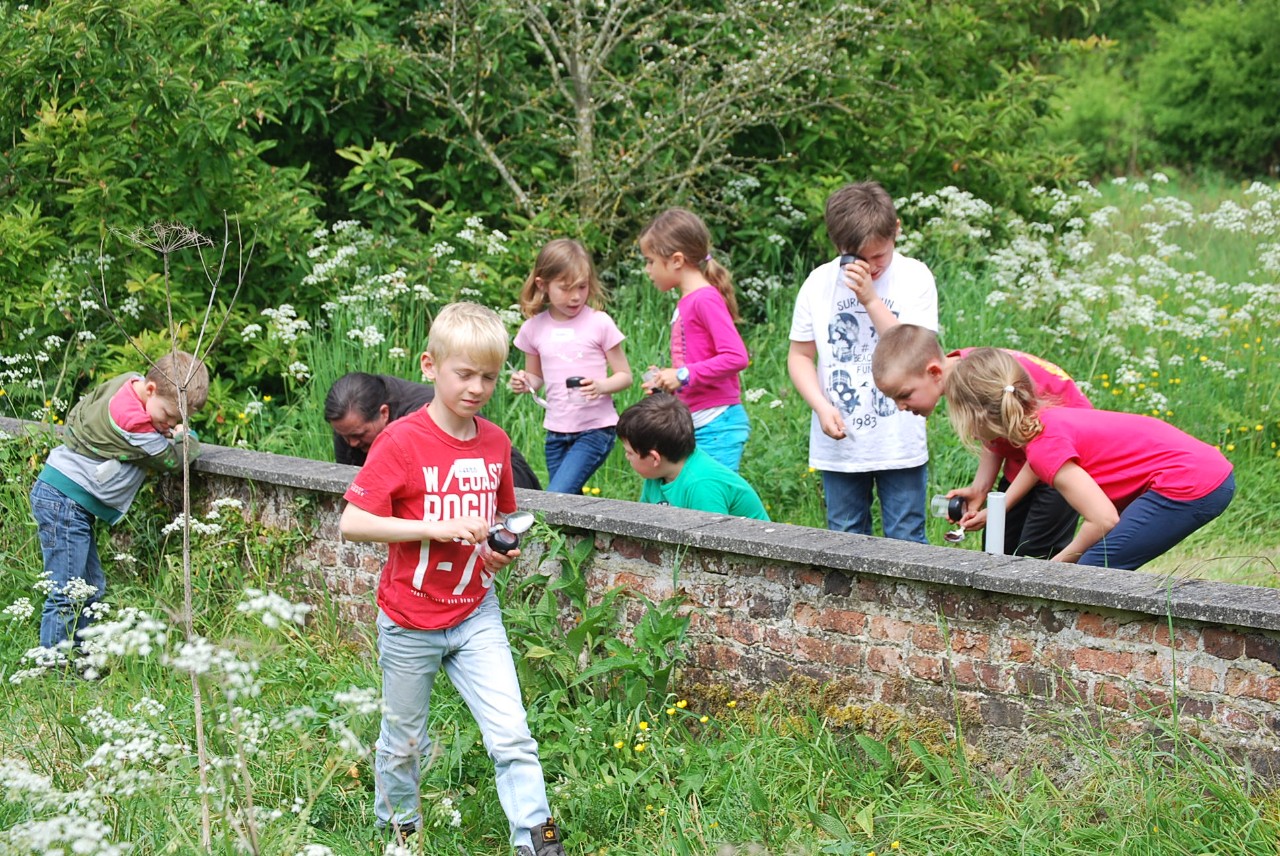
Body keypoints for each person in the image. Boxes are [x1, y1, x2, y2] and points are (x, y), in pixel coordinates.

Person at [338, 303, 566, 855]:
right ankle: (400, 834)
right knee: (404, 742)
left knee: (513, 735)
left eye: (488, 377)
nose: (477, 388)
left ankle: (538, 841)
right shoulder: (400, 441)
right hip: (409, 619)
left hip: (475, 612)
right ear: (429, 365)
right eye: (464, 374)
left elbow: (500, 519)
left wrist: (495, 552)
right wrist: (434, 526)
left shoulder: (495, 442)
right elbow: (353, 522)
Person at [945, 348, 1235, 570]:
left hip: (1189, 483)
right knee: (1092, 570)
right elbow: (1038, 464)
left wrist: (1053, 570)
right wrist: (997, 510)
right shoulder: (1044, 422)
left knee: (1091, 572)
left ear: (977, 416)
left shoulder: (1044, 443)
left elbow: (1103, 520)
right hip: (1200, 469)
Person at [787, 180, 937, 542]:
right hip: (840, 443)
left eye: (879, 256)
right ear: (838, 245)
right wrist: (821, 406)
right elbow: (800, 355)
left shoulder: (914, 277)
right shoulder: (818, 284)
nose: (870, 267)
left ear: (896, 230)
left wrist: (870, 299)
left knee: (906, 538)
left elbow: (911, 350)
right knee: (844, 538)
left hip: (898, 440)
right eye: (857, 258)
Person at [32, 351, 209, 651]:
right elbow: (175, 460)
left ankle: (80, 657)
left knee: (89, 587)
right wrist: (186, 435)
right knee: (67, 593)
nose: (169, 424)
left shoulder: (128, 382)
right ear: (150, 389)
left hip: (62, 495)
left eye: (177, 421)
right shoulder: (136, 426)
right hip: (65, 501)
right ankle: (55, 665)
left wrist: (165, 420)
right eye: (168, 415)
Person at [871, 324, 1094, 558]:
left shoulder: (979, 375)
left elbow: (1045, 448)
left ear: (934, 372)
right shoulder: (965, 373)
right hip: (1025, 457)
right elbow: (993, 433)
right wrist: (980, 489)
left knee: (1036, 552)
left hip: (1063, 460)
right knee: (998, 544)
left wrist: (1002, 505)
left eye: (904, 395)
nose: (900, 406)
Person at [509, 239, 632, 494]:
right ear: (542, 285)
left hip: (595, 429)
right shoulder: (533, 328)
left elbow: (625, 376)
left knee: (557, 496)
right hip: (555, 432)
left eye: (582, 287)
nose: (575, 296)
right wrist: (524, 382)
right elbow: (535, 377)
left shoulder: (599, 323)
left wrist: (600, 386)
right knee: (567, 506)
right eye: (565, 288)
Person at [638, 208, 751, 472]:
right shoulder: (688, 301)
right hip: (698, 423)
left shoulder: (705, 299)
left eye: (651, 261)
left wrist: (683, 375)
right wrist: (667, 379)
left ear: (676, 260)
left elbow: (736, 357)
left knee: (710, 498)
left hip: (717, 426)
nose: (647, 270)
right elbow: (698, 361)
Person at [325, 371, 541, 490]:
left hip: (503, 477)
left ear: (384, 413)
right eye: (344, 436)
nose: (352, 444)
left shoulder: (422, 417)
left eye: (358, 435)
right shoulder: (351, 422)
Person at [616, 394, 769, 520]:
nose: (627, 457)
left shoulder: (701, 484)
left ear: (654, 458)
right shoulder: (656, 475)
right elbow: (644, 521)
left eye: (629, 452)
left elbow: (713, 540)